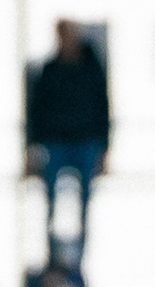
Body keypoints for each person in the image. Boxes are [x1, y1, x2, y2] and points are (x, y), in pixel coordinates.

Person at [25, 20, 110, 256]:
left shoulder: (90, 69)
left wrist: (104, 147)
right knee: (51, 196)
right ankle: (51, 245)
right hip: (57, 142)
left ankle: (83, 246)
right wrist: (32, 147)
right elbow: (38, 111)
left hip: (85, 142)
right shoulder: (50, 70)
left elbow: (102, 108)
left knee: (84, 198)